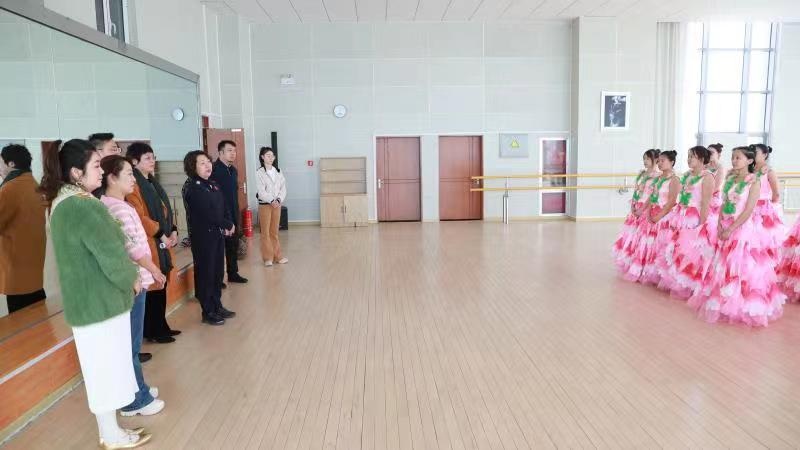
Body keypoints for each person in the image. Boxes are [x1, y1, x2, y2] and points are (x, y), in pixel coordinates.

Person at [39, 139, 151, 448]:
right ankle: (111, 434)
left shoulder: (64, 202)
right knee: (107, 369)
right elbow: (110, 254)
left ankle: (110, 430)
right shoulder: (82, 205)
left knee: (102, 368)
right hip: (100, 303)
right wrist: (131, 278)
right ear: (76, 172)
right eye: (96, 166)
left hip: (88, 303)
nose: (102, 172)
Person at [99, 155, 167, 416]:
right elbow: (132, 248)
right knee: (130, 345)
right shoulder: (117, 208)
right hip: (132, 283)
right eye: (128, 174)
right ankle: (135, 400)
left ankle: (138, 388)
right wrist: (154, 269)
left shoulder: (117, 204)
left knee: (131, 343)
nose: (133, 179)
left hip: (135, 281)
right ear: (111, 178)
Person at [688, 146, 785, 326]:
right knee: (723, 265)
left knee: (740, 266)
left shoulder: (754, 182)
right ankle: (723, 300)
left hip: (741, 229)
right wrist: (719, 224)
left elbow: (748, 210)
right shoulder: (731, 178)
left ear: (749, 161)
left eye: (738, 157)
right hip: (725, 226)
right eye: (733, 157)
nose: (734, 160)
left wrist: (731, 228)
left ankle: (741, 305)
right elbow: (724, 203)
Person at [125, 142, 181, 344]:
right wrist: (160, 233)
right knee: (154, 287)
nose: (152, 161)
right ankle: (154, 330)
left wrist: (172, 229)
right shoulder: (134, 187)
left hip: (161, 241)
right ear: (134, 161)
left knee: (161, 283)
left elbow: (165, 209)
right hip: (150, 242)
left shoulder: (152, 183)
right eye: (147, 158)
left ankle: (161, 325)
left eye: (153, 157)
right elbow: (140, 217)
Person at [182, 150, 236, 325]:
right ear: (193, 167)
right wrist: (226, 224)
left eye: (208, 162)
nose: (208, 166)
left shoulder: (212, 184)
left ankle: (217, 305)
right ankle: (208, 311)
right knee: (206, 273)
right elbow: (208, 213)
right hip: (203, 237)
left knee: (217, 272)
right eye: (202, 163)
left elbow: (224, 206)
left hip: (217, 235)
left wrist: (229, 222)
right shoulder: (193, 188)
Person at [660, 146, 716, 299]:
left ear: (702, 159)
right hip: (682, 215)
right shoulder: (687, 175)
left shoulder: (707, 177)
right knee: (680, 249)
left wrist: (702, 225)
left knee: (692, 252)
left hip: (695, 217)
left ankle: (693, 285)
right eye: (688, 156)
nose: (689, 159)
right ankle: (681, 281)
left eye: (692, 156)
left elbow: (705, 203)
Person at [619, 151, 680, 283]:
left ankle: (658, 274)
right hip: (651, 214)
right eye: (659, 161)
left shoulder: (674, 180)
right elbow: (651, 197)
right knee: (647, 243)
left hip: (663, 217)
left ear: (671, 162)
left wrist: (658, 216)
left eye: (663, 161)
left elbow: (671, 202)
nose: (660, 163)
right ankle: (646, 270)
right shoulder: (659, 179)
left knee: (659, 245)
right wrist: (645, 210)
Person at [0, 144, 47, 313]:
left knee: (20, 318)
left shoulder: (10, 188)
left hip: (16, 268)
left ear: (11, 164)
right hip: (33, 265)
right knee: (36, 311)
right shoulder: (34, 185)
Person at [613, 149, 660, 272]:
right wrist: (633, 205)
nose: (645, 161)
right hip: (637, 206)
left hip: (647, 207)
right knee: (633, 236)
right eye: (644, 158)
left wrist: (642, 209)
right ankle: (632, 262)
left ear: (655, 160)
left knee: (644, 237)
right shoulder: (642, 174)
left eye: (648, 159)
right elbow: (636, 190)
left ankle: (643, 265)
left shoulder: (657, 176)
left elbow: (652, 195)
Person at [209, 140, 248, 284]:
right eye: (229, 150)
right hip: (220, 216)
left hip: (233, 212)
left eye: (234, 151)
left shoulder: (233, 170)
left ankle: (233, 273)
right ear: (220, 153)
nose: (233, 153)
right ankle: (218, 279)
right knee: (219, 249)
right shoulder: (214, 171)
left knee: (232, 245)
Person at [752, 144, 785, 266]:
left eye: (756, 152)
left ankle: (767, 265)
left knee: (765, 239)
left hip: (764, 209)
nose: (753, 154)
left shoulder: (769, 172)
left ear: (765, 155)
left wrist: (770, 208)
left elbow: (776, 194)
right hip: (750, 207)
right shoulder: (750, 171)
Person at [255, 147, 288, 267]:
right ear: (262, 157)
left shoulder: (278, 171)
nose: (271, 158)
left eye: (272, 156)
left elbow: (283, 188)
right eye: (268, 155)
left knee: (274, 232)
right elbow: (261, 191)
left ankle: (278, 257)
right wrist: (271, 200)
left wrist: (278, 199)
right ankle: (267, 258)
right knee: (265, 233)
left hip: (277, 205)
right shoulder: (259, 172)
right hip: (265, 205)